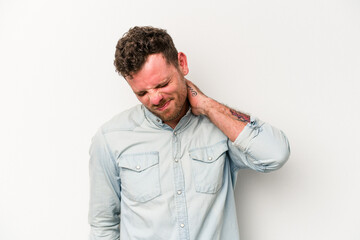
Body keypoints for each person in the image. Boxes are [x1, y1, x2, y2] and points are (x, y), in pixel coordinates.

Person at [88, 26, 290, 240]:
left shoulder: (220, 128)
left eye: (162, 84)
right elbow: (103, 225)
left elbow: (275, 154)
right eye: (142, 93)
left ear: (181, 63)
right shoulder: (111, 138)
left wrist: (208, 106)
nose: (155, 99)